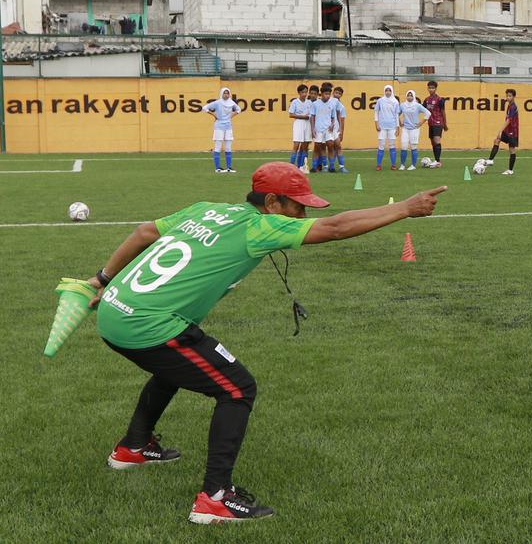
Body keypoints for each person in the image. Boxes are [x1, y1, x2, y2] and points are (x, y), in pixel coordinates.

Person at [91, 162, 448, 523]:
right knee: (237, 388)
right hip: (147, 325)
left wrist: (104, 278)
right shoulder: (261, 225)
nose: (303, 214)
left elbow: (144, 231)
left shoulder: (206, 209)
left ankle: (133, 447)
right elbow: (336, 227)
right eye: (298, 206)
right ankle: (215, 498)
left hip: (114, 311)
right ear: (273, 202)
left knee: (177, 366)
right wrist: (405, 207)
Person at [481, 88, 519, 175]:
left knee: (512, 150)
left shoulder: (513, 107)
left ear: (514, 97)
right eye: (507, 96)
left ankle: (510, 170)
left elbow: (509, 120)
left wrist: (500, 130)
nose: (508, 97)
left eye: (510, 96)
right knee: (497, 140)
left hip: (513, 131)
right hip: (508, 130)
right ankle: (490, 160)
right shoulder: (509, 106)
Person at [205, 87, 241, 173]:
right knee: (218, 146)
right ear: (221, 94)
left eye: (227, 93)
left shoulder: (232, 103)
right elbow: (205, 108)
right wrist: (214, 114)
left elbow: (239, 109)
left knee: (228, 147)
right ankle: (217, 168)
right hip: (219, 126)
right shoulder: (217, 103)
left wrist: (231, 116)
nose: (226, 95)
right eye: (224, 93)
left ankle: (229, 167)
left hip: (228, 126)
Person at [397, 89, 430, 170]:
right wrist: (400, 122)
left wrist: (421, 123)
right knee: (404, 147)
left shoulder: (417, 105)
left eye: (411, 95)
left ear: (414, 96)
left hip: (414, 129)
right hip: (405, 129)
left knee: (413, 147)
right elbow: (396, 114)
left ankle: (413, 165)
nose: (409, 97)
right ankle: (402, 165)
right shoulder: (402, 105)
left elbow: (428, 113)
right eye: (408, 95)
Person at [421, 80, 448, 168]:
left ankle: (437, 161)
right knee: (433, 142)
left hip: (438, 122)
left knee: (437, 140)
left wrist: (445, 124)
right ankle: (437, 160)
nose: (431, 89)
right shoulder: (426, 100)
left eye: (432, 88)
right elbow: (421, 109)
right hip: (430, 123)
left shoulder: (440, 100)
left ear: (436, 89)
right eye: (429, 88)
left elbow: (443, 112)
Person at [374, 84, 400, 170]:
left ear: (392, 91)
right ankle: (378, 165)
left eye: (389, 90)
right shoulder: (380, 101)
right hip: (382, 127)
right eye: (386, 90)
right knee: (381, 145)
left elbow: (397, 115)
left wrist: (397, 127)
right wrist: (376, 124)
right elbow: (376, 112)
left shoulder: (395, 101)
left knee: (392, 145)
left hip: (392, 126)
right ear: (384, 91)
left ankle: (393, 165)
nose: (388, 92)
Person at [288, 84, 312, 171]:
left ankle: (302, 166)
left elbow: (311, 114)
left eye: (306, 92)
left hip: (307, 124)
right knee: (296, 145)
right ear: (299, 93)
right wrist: (302, 116)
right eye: (302, 92)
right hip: (298, 123)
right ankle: (291, 166)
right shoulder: (295, 102)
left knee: (305, 146)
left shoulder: (309, 102)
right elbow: (291, 114)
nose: (304, 94)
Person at [330, 86, 348, 173]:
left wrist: (341, 132)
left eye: (339, 93)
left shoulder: (341, 107)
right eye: (336, 92)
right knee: (330, 148)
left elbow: (342, 120)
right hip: (327, 128)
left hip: (336, 129)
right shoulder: (328, 102)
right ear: (333, 93)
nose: (337, 94)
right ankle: (330, 166)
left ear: (341, 95)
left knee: (338, 146)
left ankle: (341, 166)